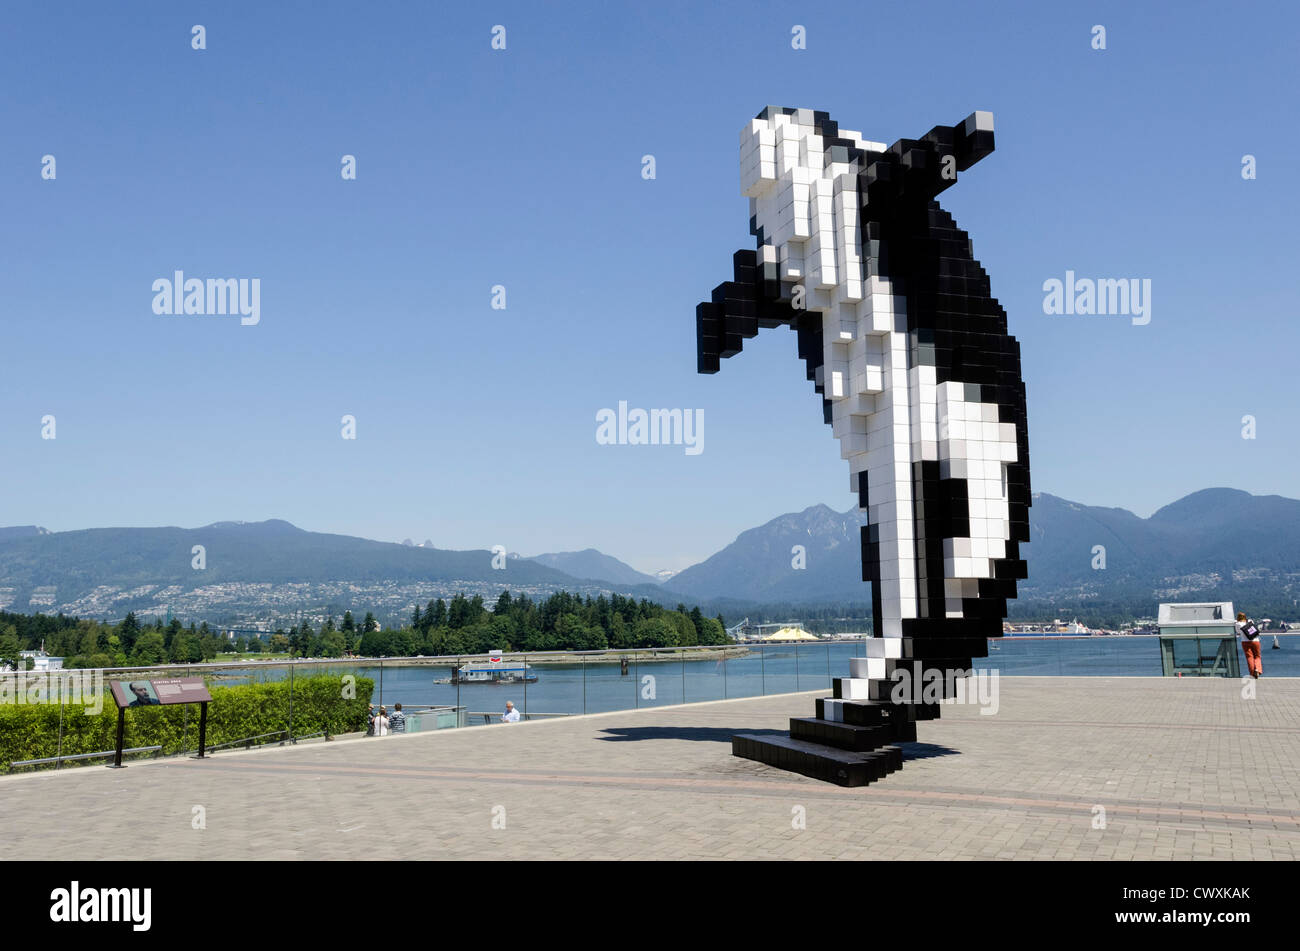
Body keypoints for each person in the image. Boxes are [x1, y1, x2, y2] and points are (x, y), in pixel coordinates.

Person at [1236, 612, 1263, 678]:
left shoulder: (1237, 624)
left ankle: (1252, 673)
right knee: (1257, 656)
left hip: (1245, 642)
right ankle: (1257, 669)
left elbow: (1238, 632)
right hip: (1255, 640)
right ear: (1245, 617)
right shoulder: (1250, 621)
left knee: (1249, 657)